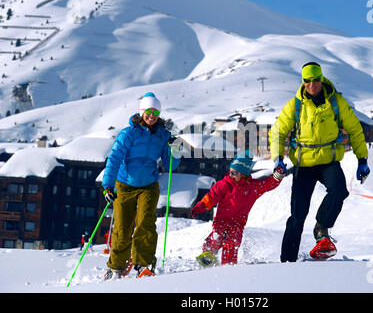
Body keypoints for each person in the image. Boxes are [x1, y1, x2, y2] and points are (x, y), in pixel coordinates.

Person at [269, 62, 370, 262]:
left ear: (321, 79)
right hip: (303, 165)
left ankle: (321, 228)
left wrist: (362, 159)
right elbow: (277, 131)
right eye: (307, 81)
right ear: (303, 81)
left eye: (315, 80)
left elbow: (355, 129)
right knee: (297, 215)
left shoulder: (336, 102)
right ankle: (286, 261)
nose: (311, 85)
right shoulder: (295, 105)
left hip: (328, 162)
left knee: (339, 190)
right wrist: (277, 159)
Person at [101, 92, 180, 280]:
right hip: (124, 185)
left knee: (146, 224)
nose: (152, 116)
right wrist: (107, 185)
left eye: (156, 112)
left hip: (148, 186)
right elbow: (115, 158)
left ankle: (143, 264)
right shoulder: (129, 133)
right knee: (122, 227)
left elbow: (170, 165)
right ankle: (116, 267)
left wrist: (175, 149)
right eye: (149, 111)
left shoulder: (163, 135)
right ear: (142, 111)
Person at [191, 155, 286, 267]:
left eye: (234, 173)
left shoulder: (252, 188)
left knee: (232, 242)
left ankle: (229, 265)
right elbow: (212, 196)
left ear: (244, 174)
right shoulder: (224, 184)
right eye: (230, 172)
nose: (231, 175)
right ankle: (208, 256)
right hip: (222, 220)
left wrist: (278, 175)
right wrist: (202, 205)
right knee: (216, 236)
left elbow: (268, 184)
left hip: (238, 222)